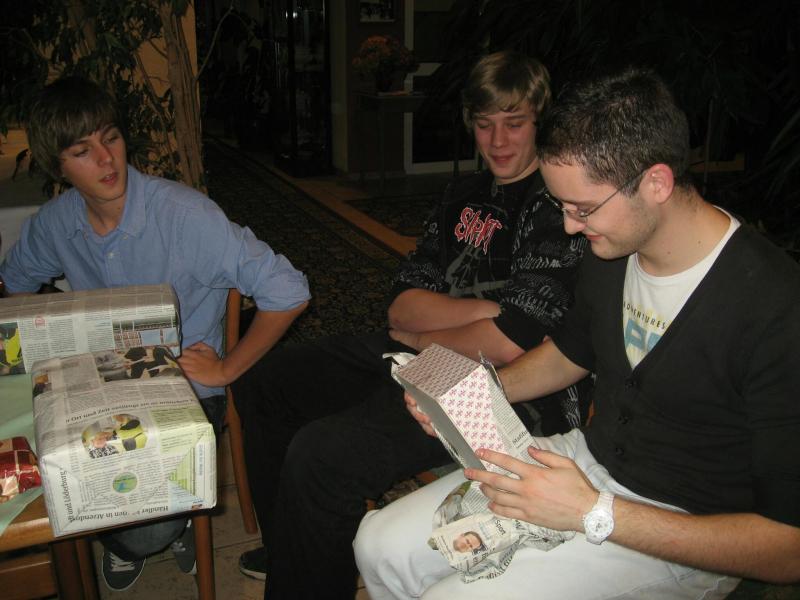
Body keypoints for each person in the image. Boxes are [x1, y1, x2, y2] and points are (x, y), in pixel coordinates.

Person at [353, 65, 800, 599]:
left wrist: (594, 512)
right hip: (589, 464)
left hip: (689, 523)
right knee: (378, 544)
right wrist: (477, 392)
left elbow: (788, 550)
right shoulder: (612, 250)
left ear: (656, 183)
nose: (569, 226)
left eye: (583, 208)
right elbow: (571, 353)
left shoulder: (775, 307)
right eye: (563, 207)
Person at [231, 50, 589, 599]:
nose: (497, 141)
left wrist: (429, 336)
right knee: (267, 380)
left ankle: (305, 564)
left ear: (540, 121)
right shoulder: (459, 195)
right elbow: (400, 303)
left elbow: (510, 342)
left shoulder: (556, 205)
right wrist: (485, 312)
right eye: (485, 124)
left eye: (514, 124)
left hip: (507, 393)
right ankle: (295, 546)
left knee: (322, 453)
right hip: (419, 354)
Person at [0, 76, 310, 592]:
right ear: (59, 165)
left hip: (184, 389)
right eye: (83, 151)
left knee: (142, 528)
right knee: (39, 478)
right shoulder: (55, 223)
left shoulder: (185, 216)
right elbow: (14, 285)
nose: (107, 159)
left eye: (111, 138)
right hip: (95, 385)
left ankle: (152, 531)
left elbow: (290, 290)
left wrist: (227, 368)